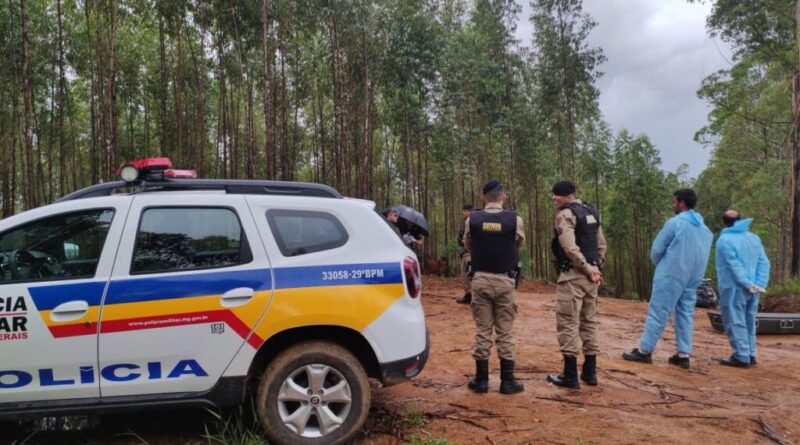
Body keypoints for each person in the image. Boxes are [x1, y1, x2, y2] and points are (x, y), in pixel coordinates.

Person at [622, 189, 713, 369]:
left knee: (658, 311)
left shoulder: (676, 223)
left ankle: (645, 351)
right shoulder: (704, 229)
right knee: (685, 313)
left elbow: (657, 249)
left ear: (681, 203)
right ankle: (683, 354)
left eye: (674, 202)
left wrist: (662, 265)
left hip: (672, 272)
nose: (673, 205)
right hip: (694, 277)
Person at [463, 180, 525, 394]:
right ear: (503, 197)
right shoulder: (515, 219)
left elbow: (468, 245)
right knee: (505, 331)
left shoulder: (472, 219)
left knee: (483, 330)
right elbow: (518, 244)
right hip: (505, 280)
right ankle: (507, 382)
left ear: (484, 197)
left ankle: (481, 381)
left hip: (480, 279)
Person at [546, 181, 606, 389]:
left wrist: (588, 269)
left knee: (568, 323)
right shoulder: (591, 212)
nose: (553, 198)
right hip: (591, 278)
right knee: (589, 322)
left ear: (568, 195)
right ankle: (590, 373)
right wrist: (596, 268)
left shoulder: (566, 214)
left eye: (557, 195)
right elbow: (601, 245)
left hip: (573, 276)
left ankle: (570, 375)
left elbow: (569, 248)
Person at [715, 210, 770, 368]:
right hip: (754, 288)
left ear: (724, 222)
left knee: (735, 320)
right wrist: (759, 284)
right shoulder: (754, 238)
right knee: (749, 321)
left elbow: (733, 265)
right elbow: (764, 262)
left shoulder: (724, 240)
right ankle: (750, 353)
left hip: (734, 287)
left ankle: (741, 355)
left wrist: (746, 283)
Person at [456, 203, 475, 304]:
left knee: (468, 275)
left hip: (470, 252)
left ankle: (471, 296)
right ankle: (468, 295)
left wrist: (465, 243)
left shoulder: (472, 222)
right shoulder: (467, 222)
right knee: (465, 275)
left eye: (465, 210)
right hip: (466, 252)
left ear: (469, 211)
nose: (463, 212)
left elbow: (469, 238)